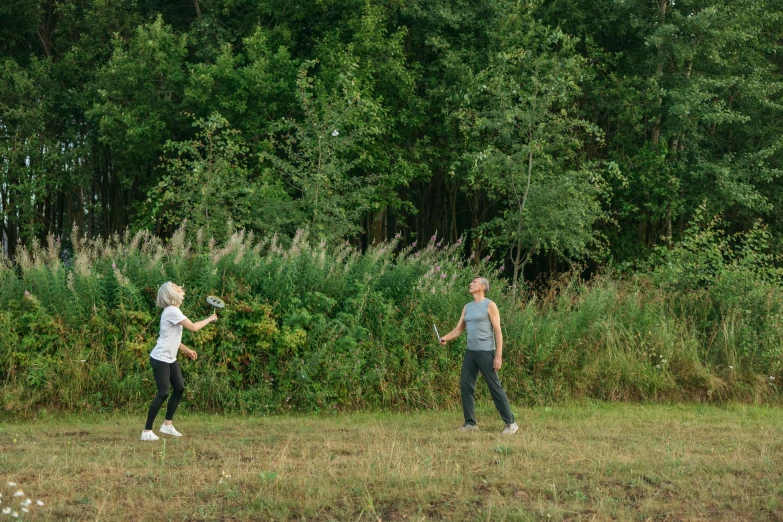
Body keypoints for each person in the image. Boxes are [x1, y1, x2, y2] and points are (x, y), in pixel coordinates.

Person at [439, 276, 519, 434]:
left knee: (494, 387)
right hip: (471, 352)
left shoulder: (490, 305)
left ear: (482, 286)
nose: (470, 284)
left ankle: (511, 424)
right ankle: (470, 424)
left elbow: (498, 330)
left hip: (486, 352)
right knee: (466, 386)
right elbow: (459, 329)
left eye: (474, 282)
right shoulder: (467, 307)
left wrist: (498, 355)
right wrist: (445, 338)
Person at [141, 282, 217, 441]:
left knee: (179, 388)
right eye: (177, 288)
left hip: (170, 357)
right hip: (160, 357)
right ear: (171, 294)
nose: (181, 288)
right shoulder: (172, 311)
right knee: (163, 392)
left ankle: (167, 425)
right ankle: (147, 431)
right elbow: (194, 327)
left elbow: (170, 337)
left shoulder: (173, 311)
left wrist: (186, 349)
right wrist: (210, 319)